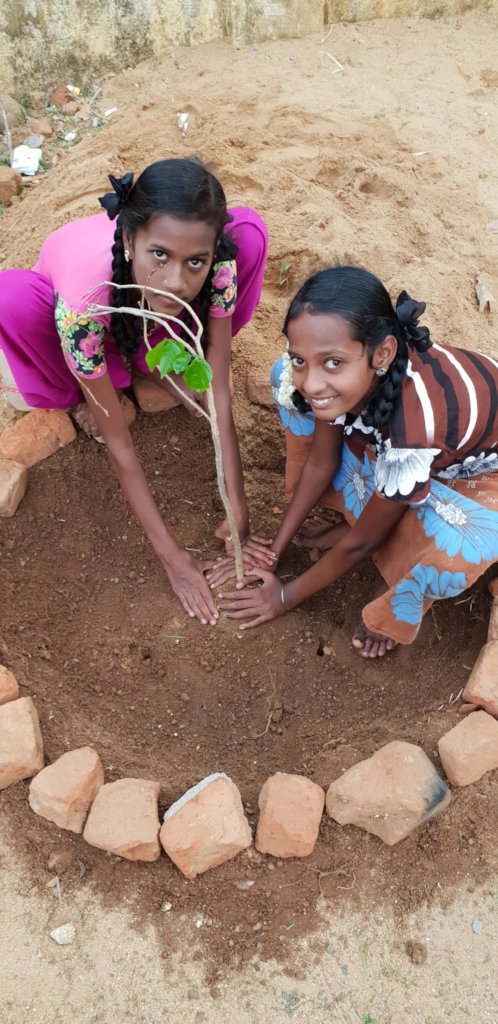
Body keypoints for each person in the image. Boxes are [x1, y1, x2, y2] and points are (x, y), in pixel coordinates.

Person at [0, 158, 273, 624]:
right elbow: (122, 447)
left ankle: (155, 361)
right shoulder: (84, 307)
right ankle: (93, 388)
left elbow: (220, 392)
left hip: (146, 315)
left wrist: (238, 507)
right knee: (13, 298)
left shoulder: (219, 259)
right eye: (160, 254)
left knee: (250, 229)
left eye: (196, 262)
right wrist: (172, 559)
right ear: (129, 241)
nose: (176, 280)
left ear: (211, 252)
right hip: (96, 318)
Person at [209, 265, 498, 655]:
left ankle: (393, 595)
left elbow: (364, 544)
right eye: (301, 359)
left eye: (332, 362)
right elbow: (321, 461)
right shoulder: (354, 376)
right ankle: (358, 519)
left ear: (382, 354)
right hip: (419, 442)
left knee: (452, 551)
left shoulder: (411, 433)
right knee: (286, 382)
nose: (311, 382)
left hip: (482, 473)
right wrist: (275, 550)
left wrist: (285, 598)